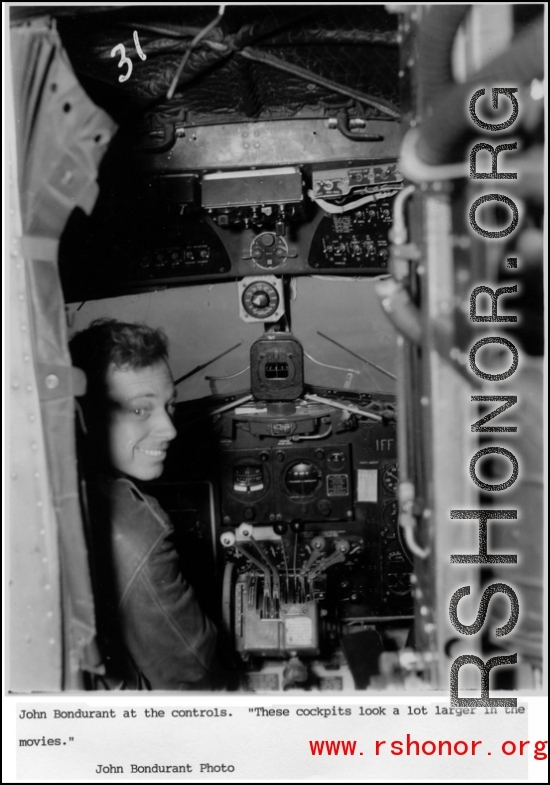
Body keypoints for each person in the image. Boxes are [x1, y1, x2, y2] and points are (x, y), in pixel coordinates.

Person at [69, 319, 219, 690]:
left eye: (169, 405)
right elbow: (194, 673)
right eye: (140, 410)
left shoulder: (71, 492)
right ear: (83, 417)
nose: (169, 429)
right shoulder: (130, 526)